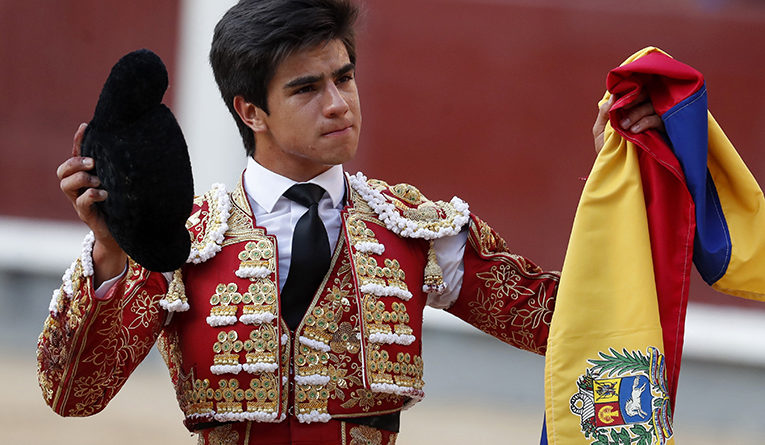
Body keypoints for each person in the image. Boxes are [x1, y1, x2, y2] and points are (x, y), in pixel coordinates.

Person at [37, 1, 662, 444]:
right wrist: (110, 254)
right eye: (307, 89)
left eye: (345, 77)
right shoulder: (183, 241)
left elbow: (568, 322)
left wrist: (622, 174)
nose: (339, 104)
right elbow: (73, 397)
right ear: (251, 110)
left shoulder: (416, 230)